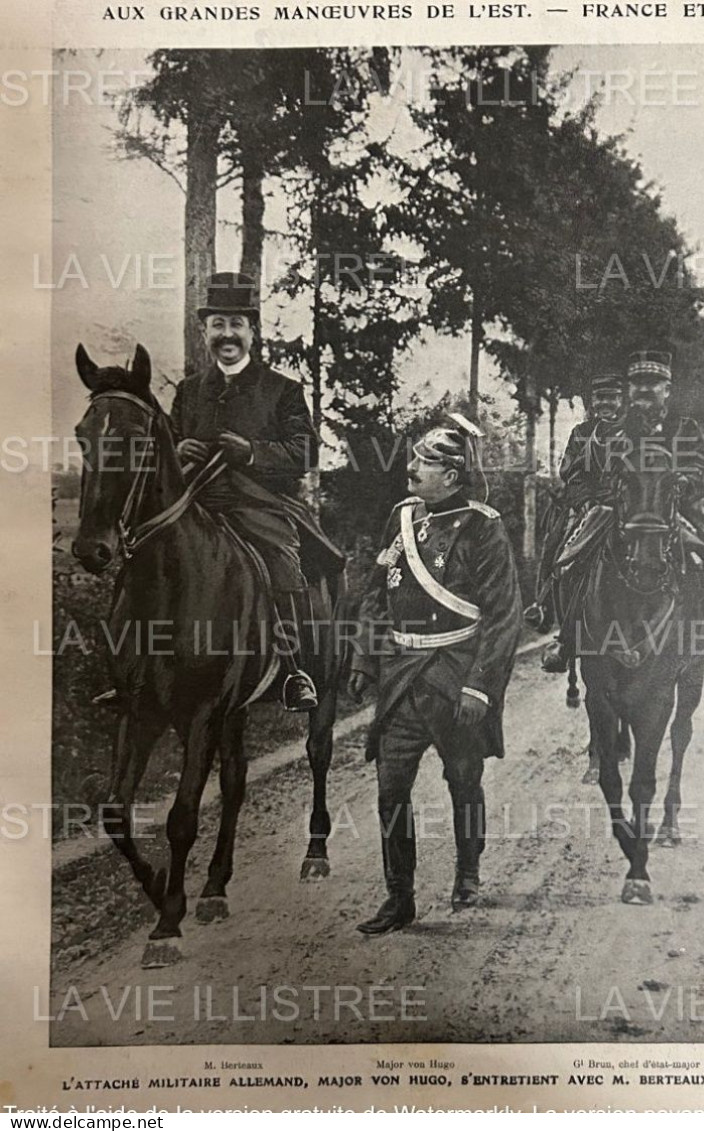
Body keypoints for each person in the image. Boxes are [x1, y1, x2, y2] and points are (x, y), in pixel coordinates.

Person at [349, 415, 523, 936]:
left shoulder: (484, 527)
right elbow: (377, 591)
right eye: (416, 458)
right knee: (390, 789)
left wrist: (480, 687)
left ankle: (467, 871)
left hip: (455, 675)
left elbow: (503, 615)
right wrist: (364, 658)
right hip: (403, 678)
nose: (412, 468)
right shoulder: (401, 517)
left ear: (452, 474)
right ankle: (399, 898)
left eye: (425, 461)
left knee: (464, 779)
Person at [168, 271, 340, 710]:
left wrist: (252, 452)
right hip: (198, 507)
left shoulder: (283, 390)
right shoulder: (188, 392)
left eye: (237, 324)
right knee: (151, 558)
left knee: (283, 562)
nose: (228, 335)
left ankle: (294, 668)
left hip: (260, 506)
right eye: (218, 325)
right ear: (204, 330)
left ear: (252, 331)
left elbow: (306, 451)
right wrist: (176, 450)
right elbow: (165, 456)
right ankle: (147, 671)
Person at [621, 350, 704, 683]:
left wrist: (683, 483)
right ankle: (566, 634)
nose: (645, 390)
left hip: (675, 511)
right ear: (629, 390)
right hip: (624, 511)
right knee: (580, 547)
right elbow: (600, 469)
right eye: (638, 383)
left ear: (667, 389)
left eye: (653, 383)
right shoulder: (615, 430)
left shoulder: (684, 428)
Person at [535, 373, 626, 674]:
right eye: (599, 398)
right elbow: (569, 473)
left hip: (633, 506)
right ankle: (548, 614)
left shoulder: (634, 431)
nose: (605, 403)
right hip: (593, 507)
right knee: (558, 546)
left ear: (620, 400)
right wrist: (585, 501)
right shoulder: (581, 433)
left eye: (611, 397)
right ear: (592, 403)